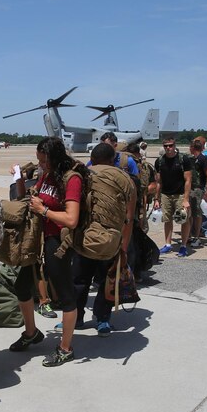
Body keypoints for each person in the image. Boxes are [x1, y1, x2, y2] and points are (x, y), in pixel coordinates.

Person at [9, 137, 85, 367]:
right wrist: (20, 181)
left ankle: (66, 347)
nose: (41, 165)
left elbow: (71, 219)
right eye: (39, 161)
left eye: (44, 161)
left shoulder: (71, 179)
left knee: (64, 295)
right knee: (22, 285)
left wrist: (44, 211)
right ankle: (31, 332)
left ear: (55, 158)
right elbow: (30, 199)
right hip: (39, 240)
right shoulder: (46, 176)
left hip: (58, 242)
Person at [72, 143, 136, 335]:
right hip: (111, 240)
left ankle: (76, 318)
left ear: (92, 157)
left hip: (84, 239)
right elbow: (129, 217)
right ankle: (103, 319)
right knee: (106, 280)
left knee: (79, 281)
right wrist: (123, 247)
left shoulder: (83, 175)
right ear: (113, 160)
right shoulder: (125, 180)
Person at [152, 136, 193, 255]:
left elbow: (188, 180)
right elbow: (159, 182)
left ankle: (183, 245)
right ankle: (168, 244)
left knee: (183, 219)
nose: (168, 148)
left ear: (175, 146)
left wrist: (186, 199)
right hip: (166, 194)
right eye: (166, 146)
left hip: (180, 194)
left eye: (170, 145)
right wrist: (156, 198)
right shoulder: (159, 161)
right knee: (167, 220)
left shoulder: (183, 159)